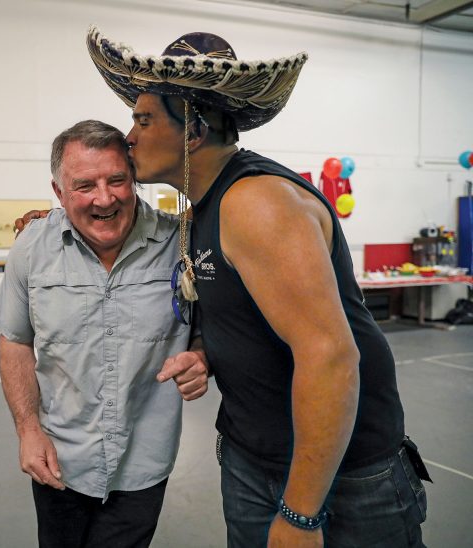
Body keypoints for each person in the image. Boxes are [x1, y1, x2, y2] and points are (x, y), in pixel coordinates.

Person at [82, 26, 430, 547]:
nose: (129, 136)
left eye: (144, 119)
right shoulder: (202, 206)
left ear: (192, 130)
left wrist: (302, 515)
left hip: (339, 480)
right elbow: (238, 310)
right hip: (253, 457)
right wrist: (204, 349)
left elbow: (331, 357)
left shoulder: (256, 203)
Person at [0, 120, 208, 548]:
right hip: (60, 460)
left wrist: (200, 357)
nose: (104, 198)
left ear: (135, 179)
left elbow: (207, 331)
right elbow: (15, 340)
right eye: (85, 185)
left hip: (143, 460)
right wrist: (28, 430)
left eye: (117, 180)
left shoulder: (179, 242)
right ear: (59, 191)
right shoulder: (32, 247)